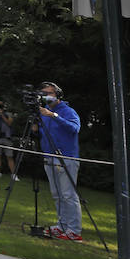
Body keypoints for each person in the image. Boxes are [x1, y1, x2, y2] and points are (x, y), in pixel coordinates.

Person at [35, 81, 83, 242]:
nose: (47, 96)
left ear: (58, 95)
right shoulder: (43, 112)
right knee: (57, 194)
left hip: (66, 157)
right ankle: (62, 225)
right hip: (49, 156)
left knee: (68, 194)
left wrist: (54, 116)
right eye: (44, 93)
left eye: (50, 93)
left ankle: (74, 230)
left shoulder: (67, 111)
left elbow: (74, 128)